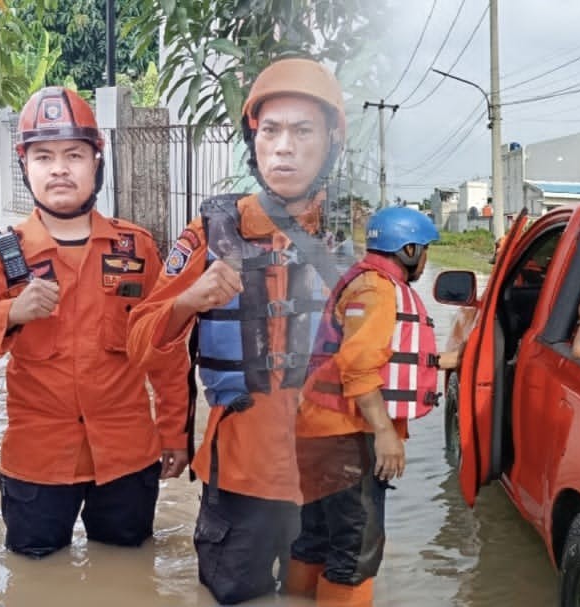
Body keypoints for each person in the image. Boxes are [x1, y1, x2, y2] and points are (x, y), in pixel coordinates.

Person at [127, 57, 346, 604]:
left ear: (330, 144)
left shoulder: (355, 243)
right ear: (254, 141)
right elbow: (141, 342)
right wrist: (185, 301)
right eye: (270, 130)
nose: (284, 147)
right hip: (240, 476)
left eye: (302, 131)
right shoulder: (208, 233)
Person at [0, 87, 189, 558]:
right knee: (36, 574)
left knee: (129, 574)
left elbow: (165, 348)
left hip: (128, 456)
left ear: (96, 163)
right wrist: (10, 313)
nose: (60, 168)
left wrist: (174, 433)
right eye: (43, 156)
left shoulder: (137, 248)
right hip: (38, 463)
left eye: (74, 154)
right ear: (26, 167)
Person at [293, 207, 462, 606]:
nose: (425, 260)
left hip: (318, 429)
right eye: (423, 251)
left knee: (316, 539)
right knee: (356, 552)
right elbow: (359, 366)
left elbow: (376, 353)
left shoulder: (363, 280)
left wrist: (437, 362)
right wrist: (386, 433)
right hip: (347, 435)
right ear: (407, 249)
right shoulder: (379, 290)